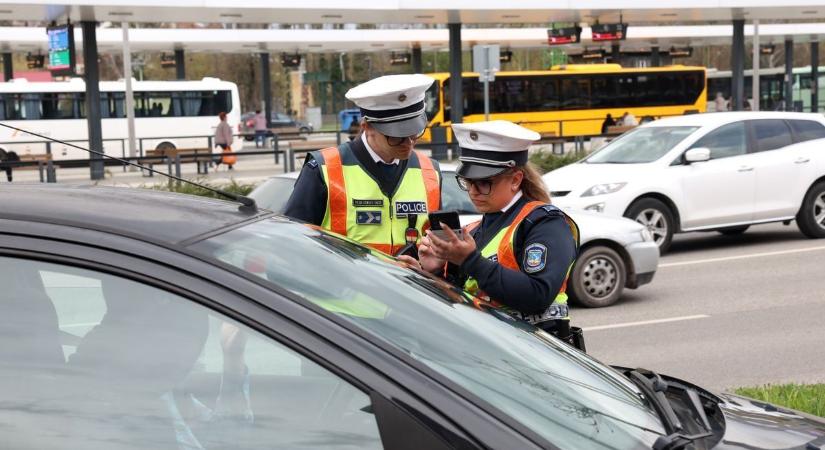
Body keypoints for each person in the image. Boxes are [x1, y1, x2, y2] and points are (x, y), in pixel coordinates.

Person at [418, 120, 580, 342]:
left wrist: (470, 260)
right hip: (491, 348)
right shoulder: (475, 229)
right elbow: (462, 300)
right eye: (467, 182)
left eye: (484, 183)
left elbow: (538, 295)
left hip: (536, 350)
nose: (473, 191)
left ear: (515, 180)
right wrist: (433, 272)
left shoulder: (545, 222)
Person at [283, 74, 442, 257]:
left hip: (411, 278)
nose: (408, 143)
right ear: (367, 126)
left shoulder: (430, 171)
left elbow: (437, 247)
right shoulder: (323, 169)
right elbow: (293, 244)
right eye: (397, 136)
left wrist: (429, 267)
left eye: (414, 133)